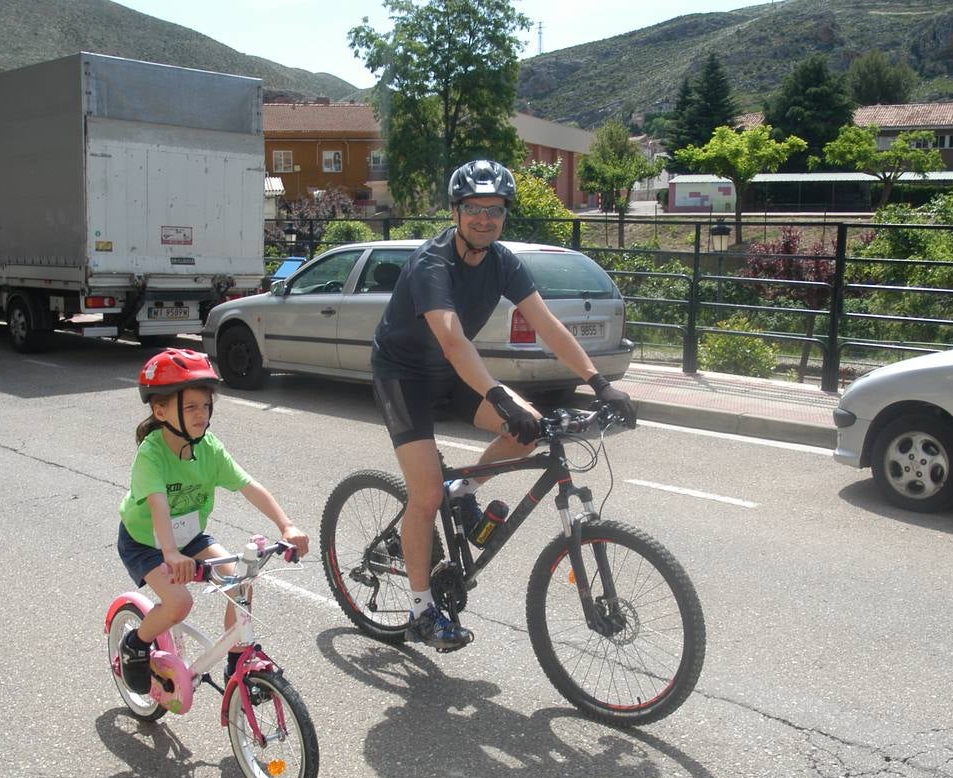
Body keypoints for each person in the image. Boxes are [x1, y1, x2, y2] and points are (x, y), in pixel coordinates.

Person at [369, 159, 636, 651]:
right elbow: (452, 339)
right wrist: (496, 393)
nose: (484, 219)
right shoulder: (432, 264)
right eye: (474, 208)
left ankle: (465, 490)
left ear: (504, 214)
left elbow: (548, 325)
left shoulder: (503, 262)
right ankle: (422, 610)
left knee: (527, 427)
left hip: (452, 371)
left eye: (495, 210)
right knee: (425, 496)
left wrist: (599, 383)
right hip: (403, 375)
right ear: (456, 211)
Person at [116, 347, 310, 694]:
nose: (201, 414)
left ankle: (237, 661)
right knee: (180, 603)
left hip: (189, 537)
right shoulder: (151, 454)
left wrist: (287, 525)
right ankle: (136, 642)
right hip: (147, 540)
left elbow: (250, 486)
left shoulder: (209, 449)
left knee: (242, 582)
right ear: (160, 410)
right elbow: (159, 507)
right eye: (190, 407)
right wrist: (172, 555)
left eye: (206, 406)